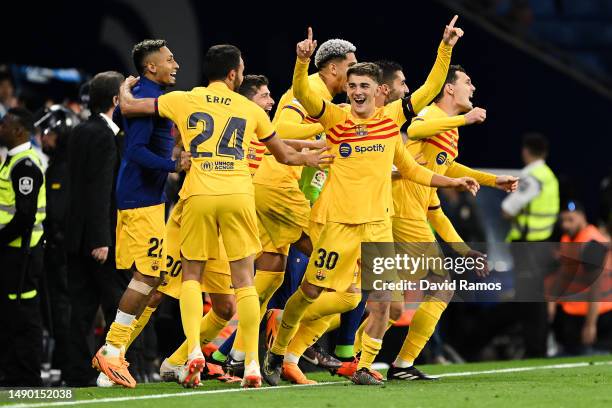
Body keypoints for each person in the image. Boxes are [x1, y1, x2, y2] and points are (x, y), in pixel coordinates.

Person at [262, 27, 479, 387]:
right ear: (346, 89)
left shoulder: (392, 120)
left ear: (378, 91)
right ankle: (278, 348)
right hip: (339, 226)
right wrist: (301, 63)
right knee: (311, 293)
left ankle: (363, 364)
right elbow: (301, 92)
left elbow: (412, 158)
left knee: (382, 304)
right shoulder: (335, 119)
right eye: (352, 86)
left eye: (364, 86)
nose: (357, 92)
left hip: (378, 226)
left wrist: (444, 47)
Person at [118, 43, 333, 388]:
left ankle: (192, 352)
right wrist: (308, 158)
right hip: (238, 195)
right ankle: (249, 363)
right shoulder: (250, 109)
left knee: (191, 275)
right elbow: (283, 155)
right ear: (233, 74)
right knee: (245, 280)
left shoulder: (185, 98)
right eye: (243, 69)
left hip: (199, 193)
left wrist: (124, 87)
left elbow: (129, 108)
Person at [382, 63, 518, 381]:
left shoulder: (447, 131)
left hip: (409, 211)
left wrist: (491, 181)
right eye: (467, 82)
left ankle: (352, 357)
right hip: (402, 211)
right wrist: (464, 118)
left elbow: (446, 177)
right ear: (450, 89)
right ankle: (399, 365)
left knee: (389, 306)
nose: (473, 88)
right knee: (439, 288)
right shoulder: (433, 115)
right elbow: (413, 129)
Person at [91, 39, 191, 389]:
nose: (175, 64)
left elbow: (121, 116)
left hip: (144, 198)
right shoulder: (148, 99)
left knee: (156, 281)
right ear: (151, 67)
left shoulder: (143, 95)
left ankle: (114, 355)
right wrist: (173, 165)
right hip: (141, 200)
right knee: (146, 277)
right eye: (169, 59)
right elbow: (135, 152)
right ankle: (113, 349)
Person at [64, 71, 129, 387]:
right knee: (119, 304)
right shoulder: (106, 137)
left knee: (81, 307)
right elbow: (100, 191)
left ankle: (76, 372)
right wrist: (101, 239)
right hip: (99, 238)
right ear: (116, 100)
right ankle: (112, 364)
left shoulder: (79, 131)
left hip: (76, 236)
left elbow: (76, 189)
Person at [502, 132, 559, 357]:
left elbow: (508, 209)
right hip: (543, 243)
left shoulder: (530, 176)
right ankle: (539, 348)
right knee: (537, 299)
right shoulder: (549, 176)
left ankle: (534, 349)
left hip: (528, 246)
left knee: (528, 301)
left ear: (526, 151)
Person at [0, 107, 46, 386]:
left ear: (19, 131)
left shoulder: (25, 165)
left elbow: (25, 216)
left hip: (22, 252)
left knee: (24, 315)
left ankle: (28, 379)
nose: (0, 127)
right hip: (13, 251)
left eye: (4, 124)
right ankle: (12, 373)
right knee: (9, 314)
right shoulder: (14, 160)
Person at [36, 105, 80, 379]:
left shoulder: (62, 168)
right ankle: (68, 364)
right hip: (62, 251)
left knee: (62, 309)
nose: (43, 138)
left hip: (61, 252)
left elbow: (58, 213)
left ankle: (68, 366)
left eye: (47, 133)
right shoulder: (63, 164)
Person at [551, 201, 612, 355]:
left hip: (599, 315)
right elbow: (564, 273)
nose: (565, 225)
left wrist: (590, 325)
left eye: (570, 220)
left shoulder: (591, 243)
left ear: (582, 217)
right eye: (562, 220)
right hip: (573, 313)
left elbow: (596, 288)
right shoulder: (567, 238)